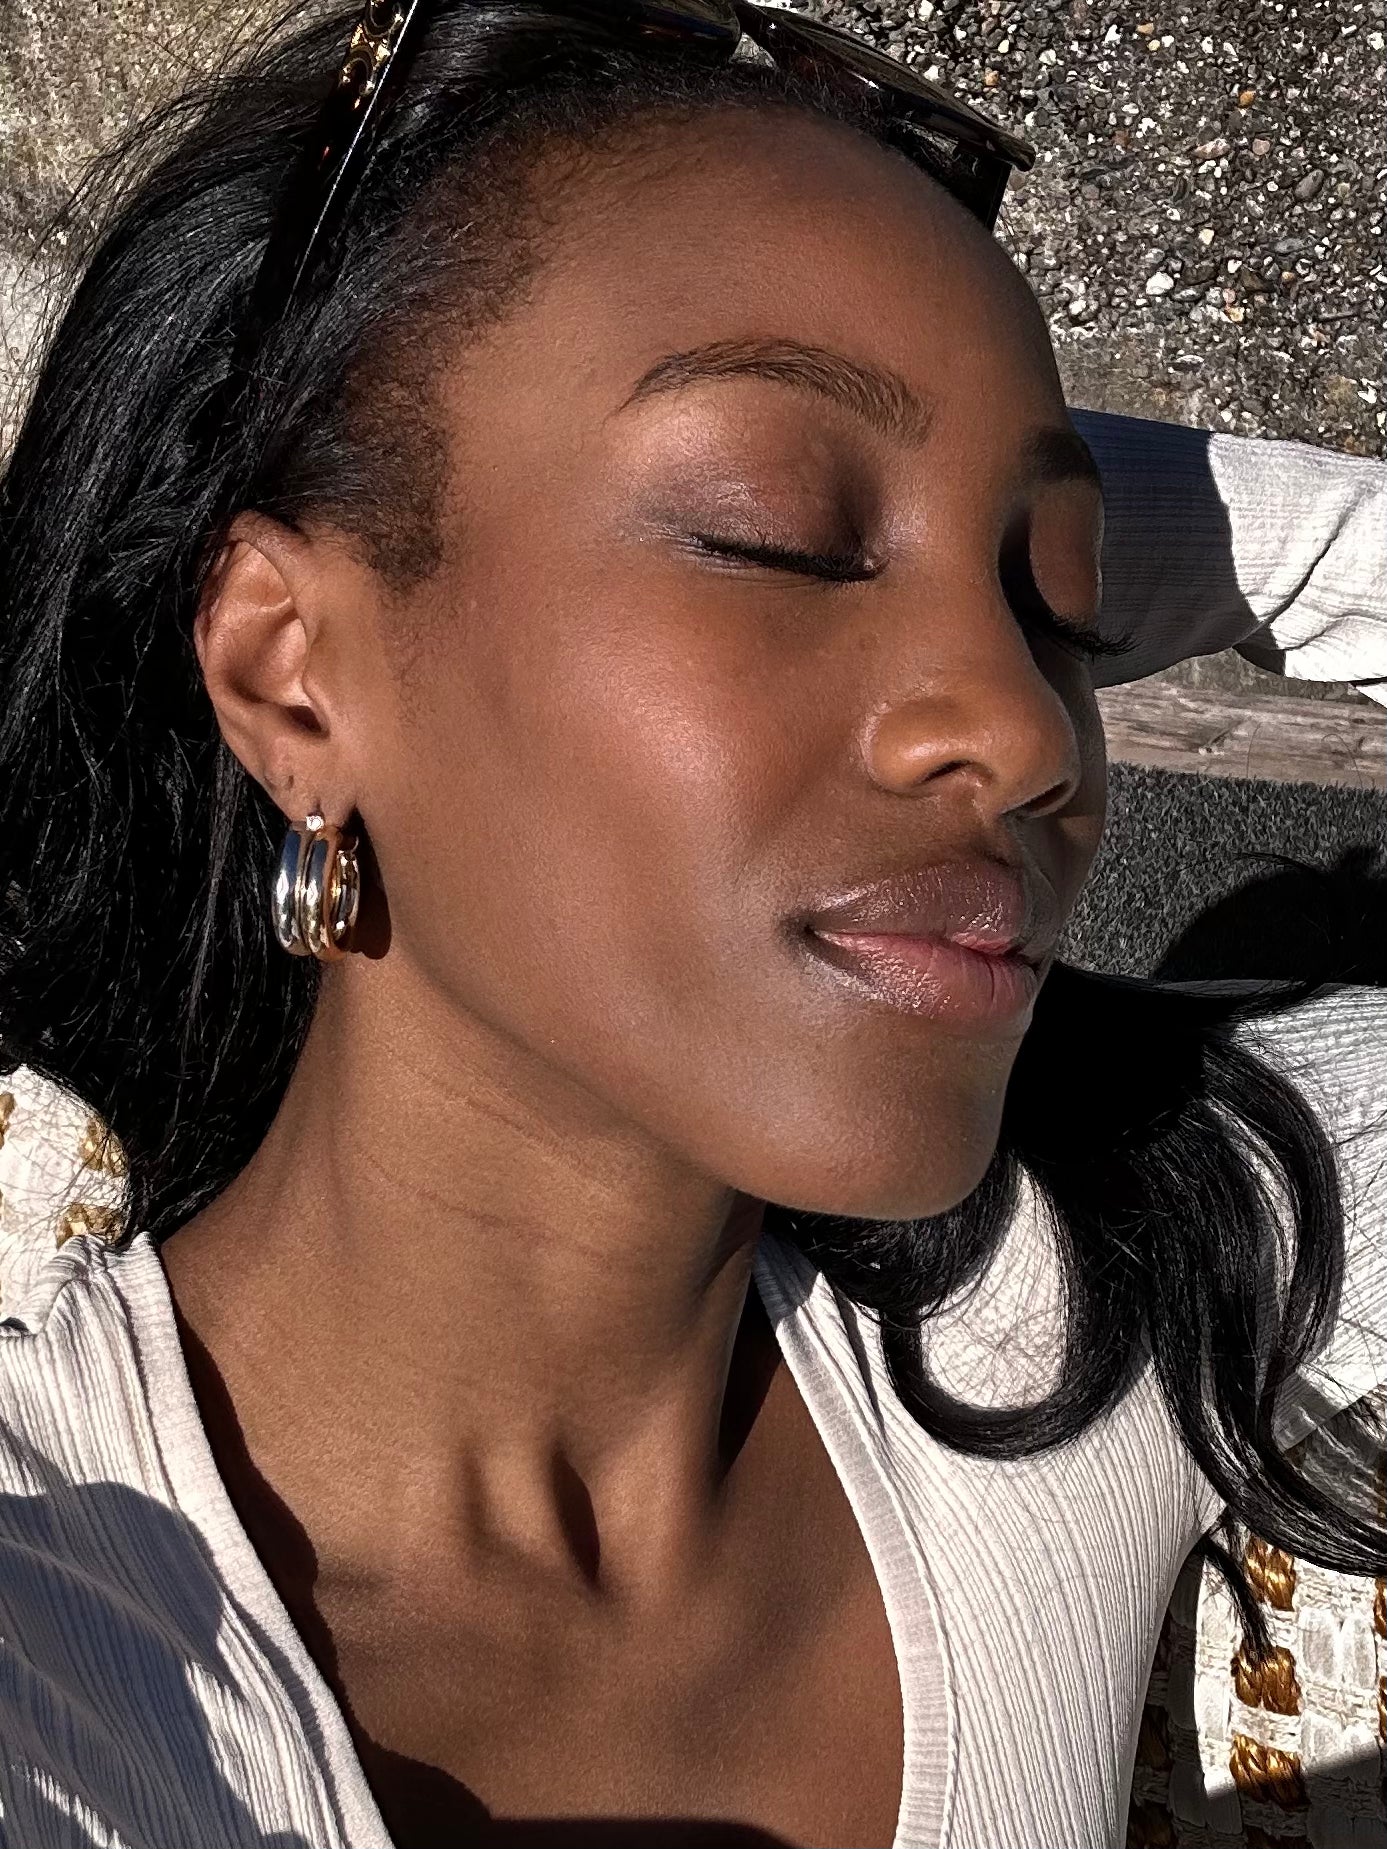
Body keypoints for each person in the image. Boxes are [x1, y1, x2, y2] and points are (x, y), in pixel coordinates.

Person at [0, 3, 1382, 1845]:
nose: (1029, 726)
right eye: (773, 534)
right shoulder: (51, 1638)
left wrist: (1015, 491)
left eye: (1057, 599)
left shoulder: (1114, 1301)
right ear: (288, 669)